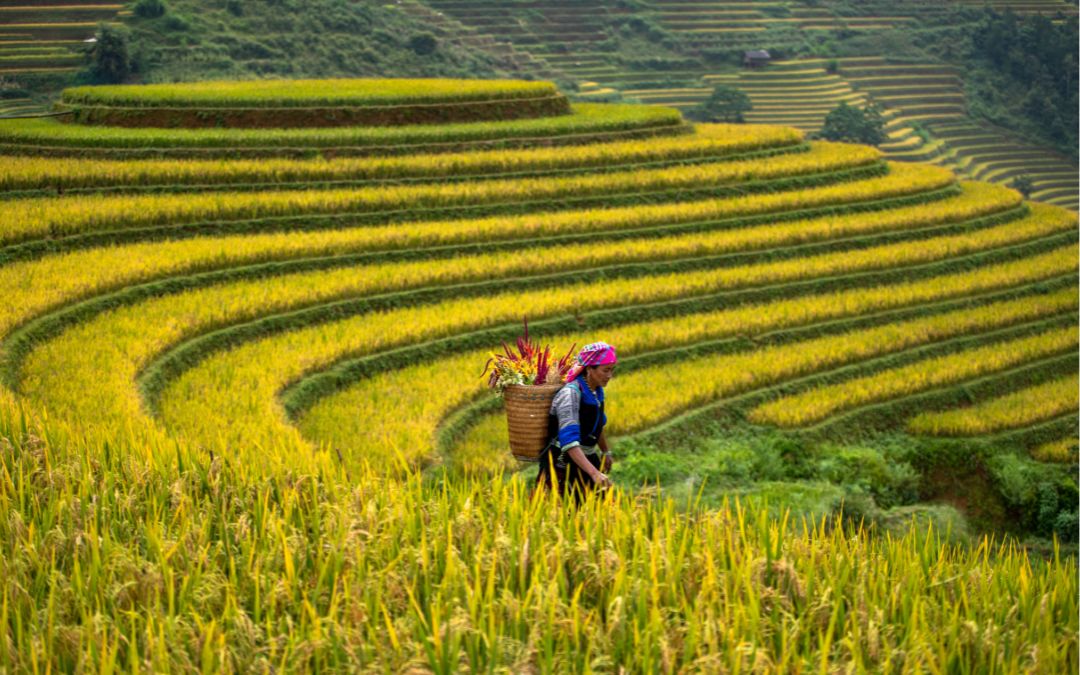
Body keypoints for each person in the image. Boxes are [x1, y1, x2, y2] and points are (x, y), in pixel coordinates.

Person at [536, 341, 616, 503]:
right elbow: (569, 441)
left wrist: (605, 452)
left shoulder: (596, 391)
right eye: (605, 370)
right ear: (589, 369)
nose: (609, 376)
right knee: (568, 512)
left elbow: (599, 425)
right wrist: (594, 473)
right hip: (563, 461)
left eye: (612, 370)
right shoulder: (570, 394)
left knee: (603, 511)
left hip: (586, 457)